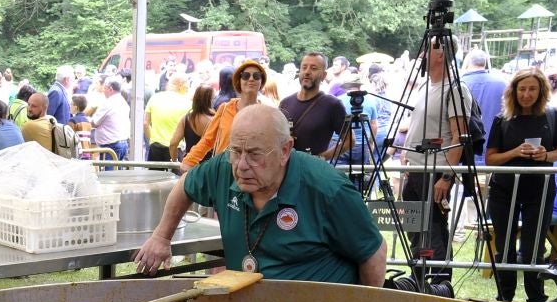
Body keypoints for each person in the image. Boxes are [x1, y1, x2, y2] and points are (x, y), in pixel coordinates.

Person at [134, 104, 386, 285]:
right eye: (236, 151)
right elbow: (186, 184)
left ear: (285, 150)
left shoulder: (329, 189)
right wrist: (161, 236)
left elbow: (374, 252)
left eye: (255, 154)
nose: (241, 165)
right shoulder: (225, 167)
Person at [482, 68, 557, 302]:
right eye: (522, 89)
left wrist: (546, 155)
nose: (526, 94)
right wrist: (514, 152)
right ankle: (504, 297)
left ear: (541, 90)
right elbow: (491, 158)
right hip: (504, 190)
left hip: (539, 190)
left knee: (533, 247)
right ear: (514, 91)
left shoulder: (552, 116)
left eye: (532, 88)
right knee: (505, 245)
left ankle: (536, 299)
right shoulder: (503, 119)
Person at [393, 37, 470, 278]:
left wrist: (447, 177)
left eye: (428, 49)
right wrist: (406, 154)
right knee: (415, 230)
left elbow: (460, 136)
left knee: (434, 231)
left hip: (435, 173)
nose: (424, 54)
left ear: (440, 55)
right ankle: (418, 279)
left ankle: (437, 285)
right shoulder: (426, 86)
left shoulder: (455, 89)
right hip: (416, 172)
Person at [180, 59, 268, 170]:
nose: (251, 79)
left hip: (252, 172)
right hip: (223, 171)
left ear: (261, 81)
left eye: (256, 76)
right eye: (245, 75)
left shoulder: (266, 114)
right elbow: (208, 140)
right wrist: (189, 161)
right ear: (238, 81)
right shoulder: (225, 108)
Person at [280, 53, 349, 161]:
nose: (307, 72)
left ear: (323, 75)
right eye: (304, 67)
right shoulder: (285, 103)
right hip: (286, 169)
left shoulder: (332, 105)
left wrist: (321, 158)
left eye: (314, 68)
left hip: (312, 173)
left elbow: (349, 141)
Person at [461, 49, 508, 162]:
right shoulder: (502, 84)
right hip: (493, 153)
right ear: (485, 63)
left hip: (464, 154)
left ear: (468, 62)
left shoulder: (458, 84)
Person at [144, 72, 189, 163]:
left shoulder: (155, 98)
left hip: (155, 147)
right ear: (181, 85)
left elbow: (145, 123)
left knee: (154, 176)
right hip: (176, 148)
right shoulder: (187, 103)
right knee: (175, 177)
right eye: (187, 84)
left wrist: (153, 138)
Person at [87, 77, 130, 160]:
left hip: (111, 146)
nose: (103, 90)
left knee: (109, 172)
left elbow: (94, 122)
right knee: (117, 171)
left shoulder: (108, 103)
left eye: (105, 88)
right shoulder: (122, 101)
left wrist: (87, 119)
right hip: (121, 143)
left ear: (110, 89)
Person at [174, 83, 214, 158]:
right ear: (210, 100)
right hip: (209, 165)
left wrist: (174, 160)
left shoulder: (186, 119)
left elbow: (173, 143)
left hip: (189, 164)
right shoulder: (215, 119)